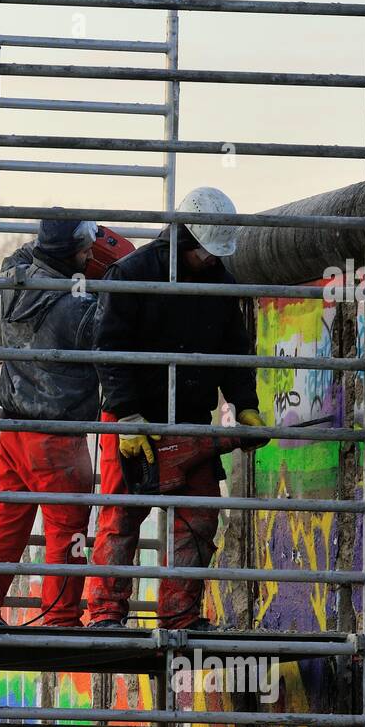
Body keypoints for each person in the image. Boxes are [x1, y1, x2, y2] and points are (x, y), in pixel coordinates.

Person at [87, 187, 267, 630]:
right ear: (183, 239)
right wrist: (127, 415)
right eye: (206, 251)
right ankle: (106, 614)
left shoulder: (221, 284)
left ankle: (180, 616)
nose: (212, 259)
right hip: (134, 421)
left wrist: (246, 405)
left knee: (200, 516)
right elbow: (108, 348)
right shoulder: (129, 275)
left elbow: (233, 350)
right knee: (122, 514)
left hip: (189, 421)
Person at [0, 218, 126, 628]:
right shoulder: (75, 309)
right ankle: (60, 617)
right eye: (83, 251)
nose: (90, 256)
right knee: (67, 528)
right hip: (58, 437)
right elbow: (114, 327)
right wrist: (119, 273)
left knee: (9, 517)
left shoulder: (14, 281)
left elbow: (22, 255)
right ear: (64, 254)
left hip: (15, 429)